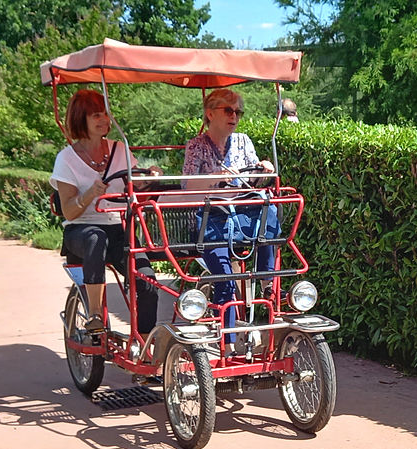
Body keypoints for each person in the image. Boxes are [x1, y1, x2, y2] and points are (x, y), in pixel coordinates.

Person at [50, 89, 162, 337]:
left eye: (106, 115)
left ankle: (144, 344)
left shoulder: (119, 149)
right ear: (81, 119)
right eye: (96, 116)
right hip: (81, 230)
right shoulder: (66, 159)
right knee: (94, 238)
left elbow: (136, 184)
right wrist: (90, 193)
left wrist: (150, 176)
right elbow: (68, 211)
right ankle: (94, 314)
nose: (104, 121)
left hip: (118, 229)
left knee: (147, 281)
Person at [183, 88, 276, 355]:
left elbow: (252, 183)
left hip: (241, 216)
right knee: (225, 280)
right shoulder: (197, 146)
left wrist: (263, 170)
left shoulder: (244, 141)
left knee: (267, 206)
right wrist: (213, 178)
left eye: (238, 111)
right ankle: (228, 345)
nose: (234, 116)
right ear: (210, 114)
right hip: (210, 220)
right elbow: (187, 186)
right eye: (228, 110)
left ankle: (268, 282)